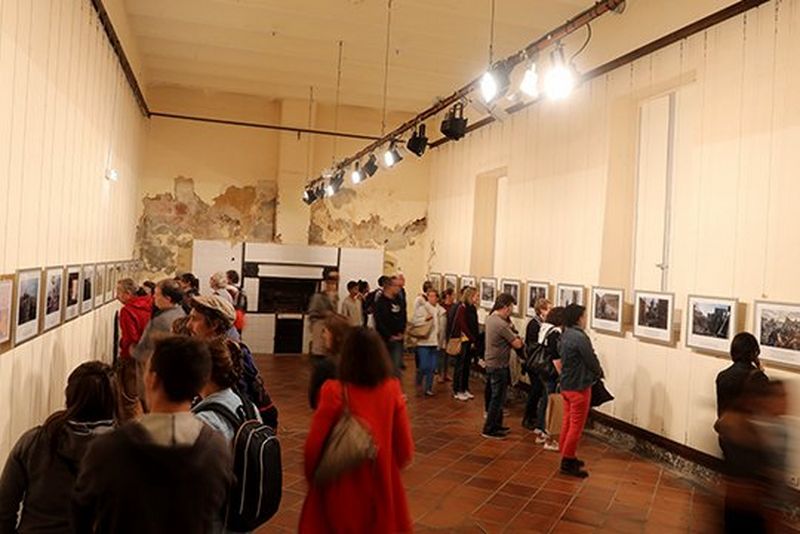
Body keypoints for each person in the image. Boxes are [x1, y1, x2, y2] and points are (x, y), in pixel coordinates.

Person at [72, 337, 233, 534]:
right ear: (200, 384)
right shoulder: (217, 449)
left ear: (152, 380)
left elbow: (82, 516)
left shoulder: (108, 448)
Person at [299, 327, 413, 533]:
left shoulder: (333, 391)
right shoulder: (392, 389)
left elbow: (313, 447)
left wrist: (315, 478)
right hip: (380, 482)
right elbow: (405, 451)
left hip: (340, 484)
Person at [0, 362, 115, 533]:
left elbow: (4, 510)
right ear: (112, 401)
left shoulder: (34, 441)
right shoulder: (124, 452)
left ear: (69, 396)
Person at [188, 295, 278, 429]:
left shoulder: (228, 356)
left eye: (194, 319)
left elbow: (239, 402)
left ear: (214, 324)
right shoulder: (211, 352)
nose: (188, 325)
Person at [558, 304, 604, 478]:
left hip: (566, 384)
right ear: (578, 318)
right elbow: (590, 359)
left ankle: (566, 453)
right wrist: (598, 371)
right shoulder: (579, 337)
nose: (586, 320)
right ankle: (567, 461)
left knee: (567, 421)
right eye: (584, 316)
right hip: (579, 386)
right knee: (576, 426)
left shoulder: (565, 333)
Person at [481, 293, 524, 440]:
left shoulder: (491, 318)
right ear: (505, 307)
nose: (512, 310)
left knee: (498, 396)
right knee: (497, 398)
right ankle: (489, 428)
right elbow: (517, 344)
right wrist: (517, 337)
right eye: (511, 307)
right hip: (498, 365)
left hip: (493, 363)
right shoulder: (501, 324)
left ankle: (497, 425)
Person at [115, 278, 152, 420]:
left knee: (129, 398)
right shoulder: (149, 304)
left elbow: (131, 338)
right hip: (147, 355)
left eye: (119, 292)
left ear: (128, 293)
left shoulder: (127, 311)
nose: (116, 296)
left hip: (132, 358)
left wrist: (123, 348)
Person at [132, 279, 187, 362]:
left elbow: (146, 351)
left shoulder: (161, 321)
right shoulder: (181, 311)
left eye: (157, 294)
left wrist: (133, 350)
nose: (153, 297)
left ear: (168, 298)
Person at [716, 332, 769, 419]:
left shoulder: (722, 376)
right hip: (746, 430)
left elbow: (721, 411)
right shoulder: (760, 378)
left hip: (726, 429)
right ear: (754, 353)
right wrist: (759, 368)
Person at [534, 306, 565, 452]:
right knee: (550, 402)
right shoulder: (555, 333)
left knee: (544, 399)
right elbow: (555, 356)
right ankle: (548, 436)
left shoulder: (544, 328)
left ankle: (540, 430)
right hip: (551, 372)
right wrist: (562, 374)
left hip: (542, 370)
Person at [308, 313, 352, 410]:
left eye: (325, 332)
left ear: (336, 336)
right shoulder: (356, 362)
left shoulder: (325, 367)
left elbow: (314, 400)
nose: (323, 336)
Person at [522, 298, 553, 430]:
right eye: (549, 309)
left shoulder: (542, 324)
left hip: (538, 363)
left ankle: (533, 415)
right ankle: (528, 417)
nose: (551, 312)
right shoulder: (534, 325)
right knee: (535, 390)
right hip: (535, 362)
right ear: (541, 310)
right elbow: (533, 345)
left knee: (538, 390)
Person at [374, 276, 407, 377]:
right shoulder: (380, 302)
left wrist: (402, 332)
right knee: (383, 368)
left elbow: (403, 316)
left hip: (398, 339)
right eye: (397, 286)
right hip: (384, 339)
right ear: (389, 286)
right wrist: (389, 335)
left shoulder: (398, 300)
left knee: (395, 369)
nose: (399, 288)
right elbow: (379, 321)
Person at [450, 287, 479, 401]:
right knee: (460, 366)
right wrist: (471, 337)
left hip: (469, 340)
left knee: (467, 365)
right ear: (470, 296)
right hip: (463, 340)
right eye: (476, 295)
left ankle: (465, 388)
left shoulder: (472, 308)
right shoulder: (462, 308)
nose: (477, 298)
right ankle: (457, 390)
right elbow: (462, 324)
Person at [412, 288, 441, 396]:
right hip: (424, 341)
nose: (432, 298)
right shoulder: (423, 308)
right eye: (430, 296)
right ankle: (419, 378)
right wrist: (424, 319)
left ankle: (428, 388)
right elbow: (415, 321)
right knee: (424, 365)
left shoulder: (439, 310)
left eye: (434, 296)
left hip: (435, 342)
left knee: (432, 367)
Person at [307, 268, 339, 358]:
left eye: (336, 279)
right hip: (320, 330)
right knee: (319, 354)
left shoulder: (335, 296)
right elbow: (312, 314)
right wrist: (325, 314)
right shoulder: (318, 296)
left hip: (330, 330)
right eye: (332, 279)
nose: (334, 282)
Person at [226, 270, 248, 334]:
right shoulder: (242, 291)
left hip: (232, 316)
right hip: (240, 316)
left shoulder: (230, 290)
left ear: (230, 279)